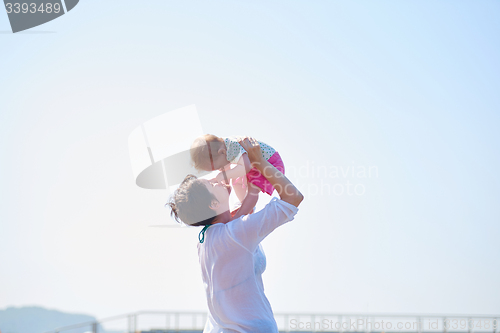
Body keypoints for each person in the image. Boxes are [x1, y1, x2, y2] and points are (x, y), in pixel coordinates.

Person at [167, 137, 303, 333]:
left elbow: (244, 206)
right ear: (213, 205)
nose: (217, 180)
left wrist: (243, 165)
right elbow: (293, 198)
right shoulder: (236, 233)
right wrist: (260, 161)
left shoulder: (206, 239)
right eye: (212, 184)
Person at [190, 134, 285, 220]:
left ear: (222, 152)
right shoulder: (224, 148)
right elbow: (228, 169)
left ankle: (239, 216)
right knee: (236, 181)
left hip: (270, 163)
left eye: (218, 167)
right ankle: (244, 203)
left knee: (253, 190)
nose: (219, 170)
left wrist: (222, 176)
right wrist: (221, 182)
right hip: (255, 164)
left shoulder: (232, 146)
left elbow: (245, 167)